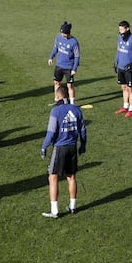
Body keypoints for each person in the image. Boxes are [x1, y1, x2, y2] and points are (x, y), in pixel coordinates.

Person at [40, 85, 86, 218]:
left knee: (53, 177)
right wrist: (83, 145)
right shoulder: (76, 110)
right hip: (72, 147)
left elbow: (51, 132)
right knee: (71, 177)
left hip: (60, 148)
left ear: (59, 96)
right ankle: (73, 206)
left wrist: (44, 146)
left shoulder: (55, 111)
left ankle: (54, 211)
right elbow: (82, 130)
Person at [114, 20, 132, 118]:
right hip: (121, 68)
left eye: (122, 29)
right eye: (119, 29)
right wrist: (116, 62)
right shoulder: (119, 38)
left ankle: (131, 109)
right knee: (123, 87)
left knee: (131, 89)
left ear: (127, 29)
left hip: (129, 69)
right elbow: (118, 50)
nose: (120, 31)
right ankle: (125, 106)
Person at [48, 21, 80, 106]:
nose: (62, 35)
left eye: (64, 33)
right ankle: (57, 99)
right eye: (61, 33)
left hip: (69, 67)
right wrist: (51, 57)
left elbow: (77, 56)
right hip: (59, 65)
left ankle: (72, 103)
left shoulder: (74, 42)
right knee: (56, 83)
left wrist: (74, 68)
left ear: (68, 33)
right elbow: (55, 48)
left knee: (70, 85)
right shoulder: (58, 37)